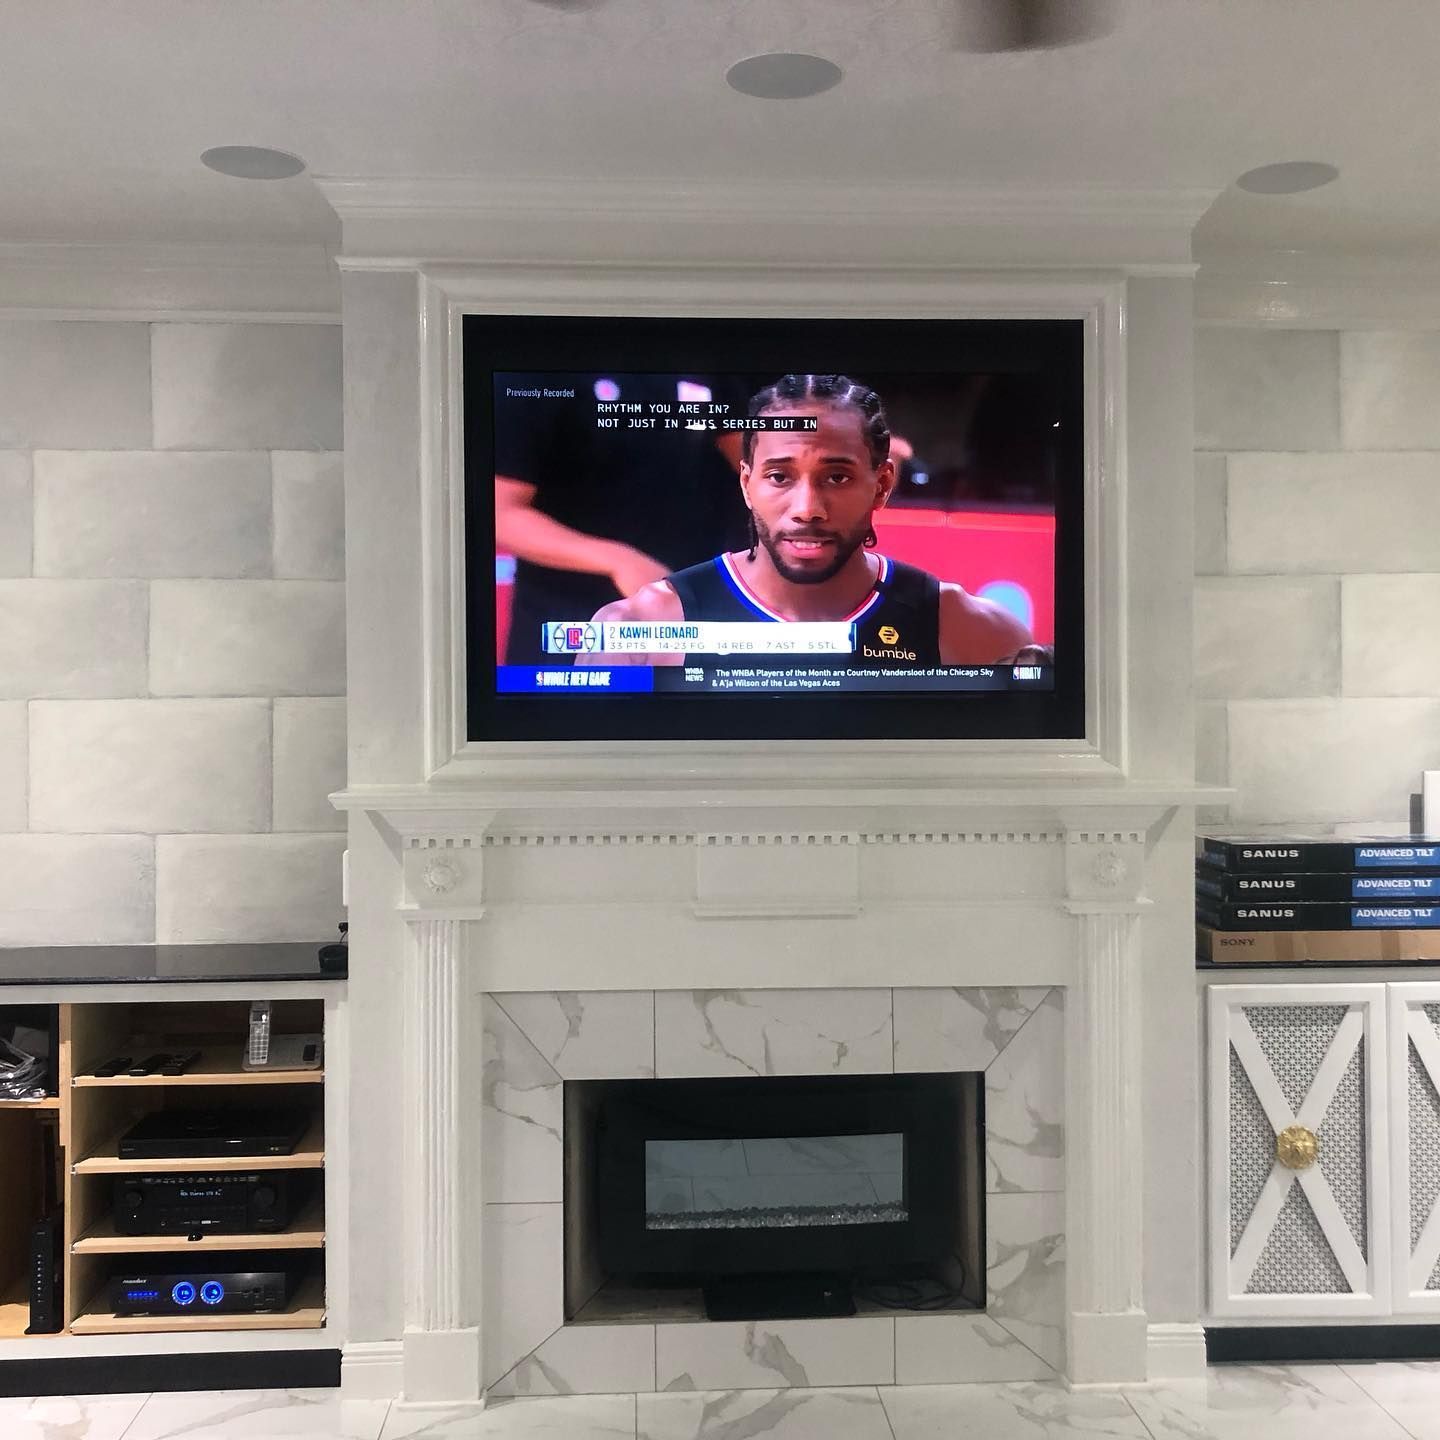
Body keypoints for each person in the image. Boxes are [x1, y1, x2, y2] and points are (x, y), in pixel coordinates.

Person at [582, 374, 1034, 668]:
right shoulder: (636, 631)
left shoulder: (970, 631)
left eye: (836, 477)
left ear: (882, 485)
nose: (807, 507)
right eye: (779, 477)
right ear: (746, 484)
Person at [494, 373, 749, 665]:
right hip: (570, 622)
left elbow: (753, 458)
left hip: (688, 614)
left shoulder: (702, 357)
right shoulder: (535, 372)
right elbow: (502, 513)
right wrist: (619, 561)